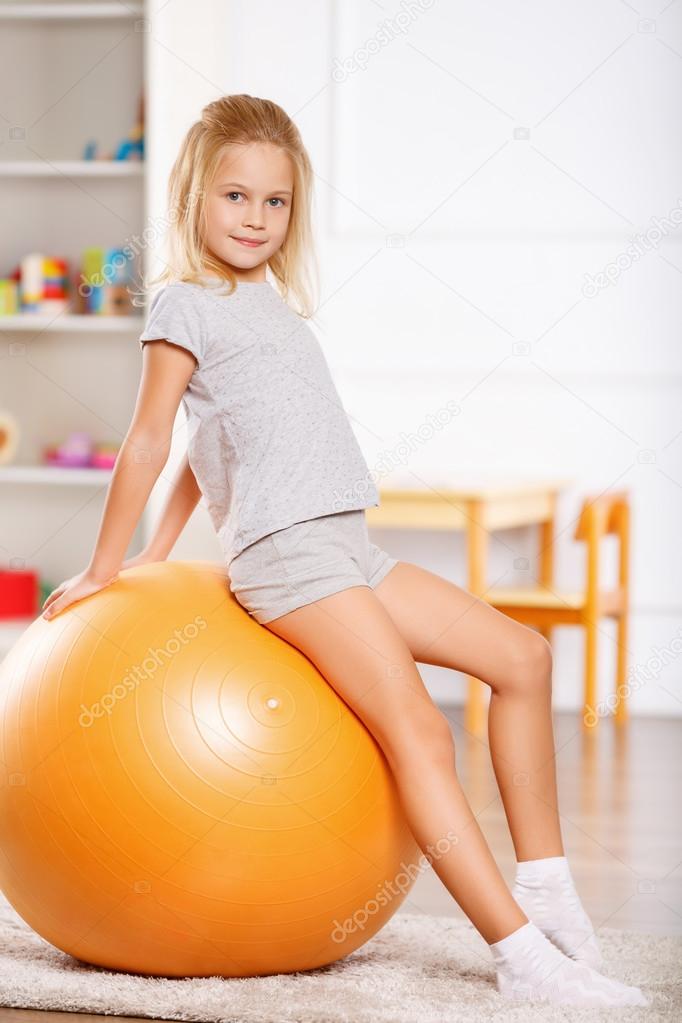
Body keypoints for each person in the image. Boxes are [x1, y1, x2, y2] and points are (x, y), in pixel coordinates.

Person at [41, 94, 648, 1009]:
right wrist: (107, 566)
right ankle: (521, 957)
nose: (254, 218)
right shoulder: (179, 303)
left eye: (275, 203)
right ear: (196, 196)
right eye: (235, 196)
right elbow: (151, 440)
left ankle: (548, 891)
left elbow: (213, 455)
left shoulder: (274, 305)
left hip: (347, 545)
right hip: (290, 559)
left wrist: (162, 550)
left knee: (524, 656)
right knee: (421, 730)